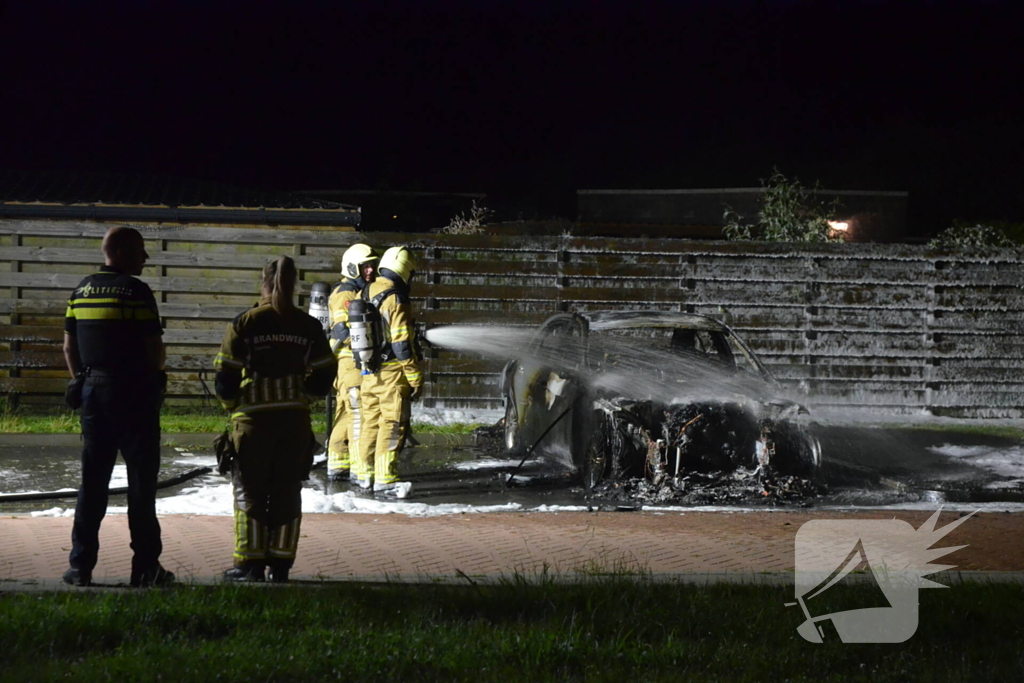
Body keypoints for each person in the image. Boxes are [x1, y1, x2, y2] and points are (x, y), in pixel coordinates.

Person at [62, 226, 173, 587]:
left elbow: (68, 347)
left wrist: (82, 379)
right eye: (140, 251)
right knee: (141, 485)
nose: (145, 258)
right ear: (122, 252)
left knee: (92, 484)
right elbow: (154, 347)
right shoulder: (136, 292)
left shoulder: (80, 290)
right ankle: (145, 568)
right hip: (134, 396)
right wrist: (154, 380)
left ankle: (80, 566)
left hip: (94, 395)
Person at [214, 256, 337, 582]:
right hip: (294, 424)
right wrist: (304, 394)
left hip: (252, 425)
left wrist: (232, 404)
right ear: (295, 284)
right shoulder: (307, 325)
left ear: (263, 283)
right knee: (287, 492)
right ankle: (280, 566)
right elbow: (326, 370)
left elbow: (225, 375)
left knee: (249, 493)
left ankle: (248, 566)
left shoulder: (246, 322)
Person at [357, 246, 423, 495]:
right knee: (392, 424)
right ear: (406, 271)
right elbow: (402, 344)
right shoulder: (396, 298)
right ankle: (386, 479)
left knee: (370, 423)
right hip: (393, 373)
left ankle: (364, 476)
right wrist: (415, 377)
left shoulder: (368, 289)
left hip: (368, 371)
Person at [325, 243, 378, 481]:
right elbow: (342, 331)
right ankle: (358, 466)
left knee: (348, 414)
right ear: (352, 268)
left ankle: (338, 463)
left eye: (372, 265)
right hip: (350, 363)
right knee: (358, 414)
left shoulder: (354, 292)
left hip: (349, 364)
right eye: (365, 266)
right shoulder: (345, 294)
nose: (370, 270)